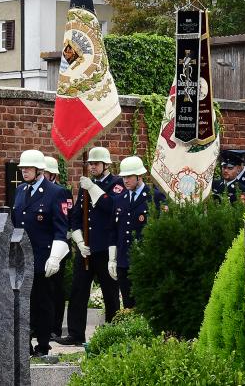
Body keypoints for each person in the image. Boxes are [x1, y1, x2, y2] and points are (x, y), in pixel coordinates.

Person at [57, 146, 121, 346]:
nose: (92, 167)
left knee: (110, 293)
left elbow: (111, 208)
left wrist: (93, 189)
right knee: (78, 291)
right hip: (87, 249)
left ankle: (112, 334)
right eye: (90, 164)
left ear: (105, 165)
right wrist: (79, 240)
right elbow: (76, 216)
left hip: (105, 249)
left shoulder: (116, 184)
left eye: (95, 163)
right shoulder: (86, 185)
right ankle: (76, 334)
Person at [12, 150, 68, 358]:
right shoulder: (19, 191)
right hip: (22, 257)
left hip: (44, 258)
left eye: (27, 168)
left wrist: (55, 257)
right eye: (22, 168)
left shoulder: (55, 192)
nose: (24, 171)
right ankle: (24, 345)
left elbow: (61, 229)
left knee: (43, 303)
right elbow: (15, 224)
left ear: (39, 170)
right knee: (22, 304)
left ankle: (43, 345)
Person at [112, 156, 164, 309]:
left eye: (129, 176)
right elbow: (114, 229)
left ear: (139, 176)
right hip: (123, 260)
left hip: (144, 259)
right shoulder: (119, 199)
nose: (125, 180)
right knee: (128, 304)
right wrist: (112, 258)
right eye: (123, 177)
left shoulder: (154, 197)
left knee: (145, 304)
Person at [43, 155, 72, 341]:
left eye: (46, 173)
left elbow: (65, 219)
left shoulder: (61, 192)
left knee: (55, 288)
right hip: (42, 246)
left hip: (58, 246)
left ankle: (55, 326)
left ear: (53, 175)